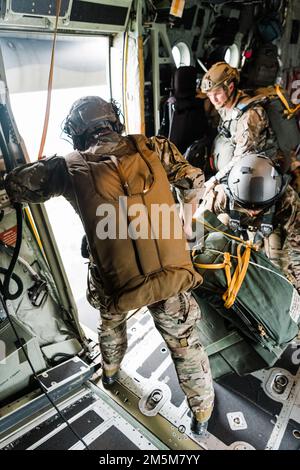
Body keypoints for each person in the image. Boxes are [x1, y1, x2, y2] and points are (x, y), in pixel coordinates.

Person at [4, 96, 214, 437]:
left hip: (115, 281)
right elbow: (193, 180)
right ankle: (202, 416)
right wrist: (184, 224)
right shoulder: (154, 148)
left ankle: (112, 373)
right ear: (113, 120)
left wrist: (35, 163)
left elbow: (16, 185)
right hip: (171, 273)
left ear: (77, 132)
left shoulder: (67, 167)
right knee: (185, 342)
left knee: (111, 323)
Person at [198, 153, 300, 294]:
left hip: (270, 228)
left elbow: (297, 247)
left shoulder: (288, 200)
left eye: (258, 208)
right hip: (233, 223)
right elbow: (196, 230)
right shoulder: (220, 196)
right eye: (246, 207)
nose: (252, 213)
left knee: (281, 273)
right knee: (214, 236)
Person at [200, 61, 287, 188]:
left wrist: (214, 181)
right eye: (209, 95)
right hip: (238, 169)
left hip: (260, 173)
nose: (214, 100)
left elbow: (241, 159)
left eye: (217, 93)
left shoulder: (249, 116)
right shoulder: (225, 105)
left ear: (230, 87)